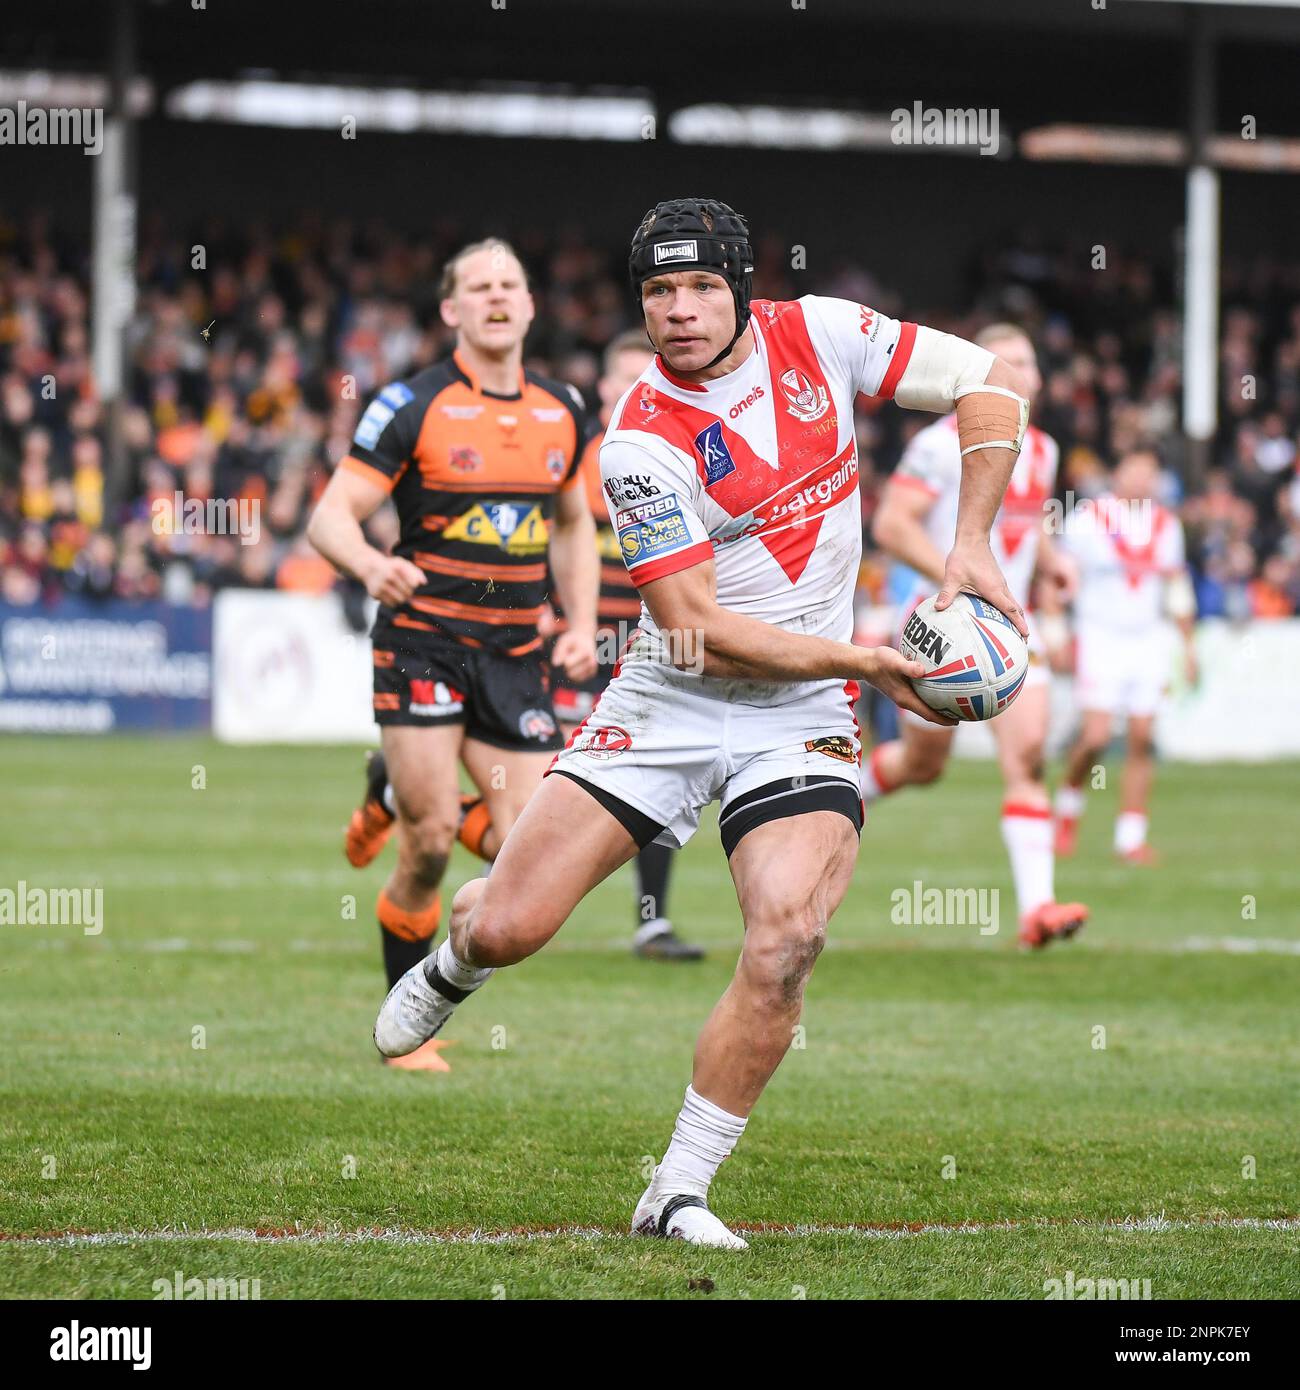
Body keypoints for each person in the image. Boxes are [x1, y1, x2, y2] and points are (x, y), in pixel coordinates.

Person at [373, 197, 1029, 1245]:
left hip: (800, 714)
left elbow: (989, 382)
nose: (677, 311)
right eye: (657, 292)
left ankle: (675, 1186)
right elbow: (695, 628)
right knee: (507, 923)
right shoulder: (637, 440)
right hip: (669, 698)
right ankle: (454, 966)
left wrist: (972, 540)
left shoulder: (821, 332)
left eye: (699, 287)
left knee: (787, 937)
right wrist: (868, 661)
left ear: (741, 288)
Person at [308, 238, 599, 1068]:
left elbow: (576, 523)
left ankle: (389, 787)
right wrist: (370, 564)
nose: (497, 297)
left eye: (511, 284)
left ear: (531, 305)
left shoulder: (564, 408)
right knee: (432, 842)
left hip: (517, 656)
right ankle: (407, 1030)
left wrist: (577, 622)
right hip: (425, 644)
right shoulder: (412, 403)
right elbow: (330, 518)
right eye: (479, 286)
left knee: (529, 861)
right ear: (452, 310)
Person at [862, 324, 1089, 949]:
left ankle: (1037, 910)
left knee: (1027, 757)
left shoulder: (1039, 449)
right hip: (943, 625)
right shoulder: (940, 443)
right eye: (1005, 361)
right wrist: (958, 578)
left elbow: (1020, 525)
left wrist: (1051, 561)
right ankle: (841, 795)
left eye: (1028, 360)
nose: (1020, 371)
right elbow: (890, 523)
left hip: (1011, 627)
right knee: (922, 766)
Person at [547, 328, 702, 961]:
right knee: (543, 788)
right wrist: (560, 626)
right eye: (627, 379)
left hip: (646, 653)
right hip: (575, 647)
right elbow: (548, 546)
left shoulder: (680, 456)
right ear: (605, 388)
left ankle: (651, 922)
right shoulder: (574, 459)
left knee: (659, 784)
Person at [1054, 446, 1197, 864]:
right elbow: (1057, 581)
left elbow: (1176, 586)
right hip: (1100, 635)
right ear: (1118, 472)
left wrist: (1188, 646)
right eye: (1135, 469)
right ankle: (1068, 805)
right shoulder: (1086, 520)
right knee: (1096, 737)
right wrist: (1057, 633)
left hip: (1148, 637)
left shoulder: (1167, 525)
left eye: (1149, 472)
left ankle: (1130, 837)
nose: (1141, 479)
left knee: (1142, 737)